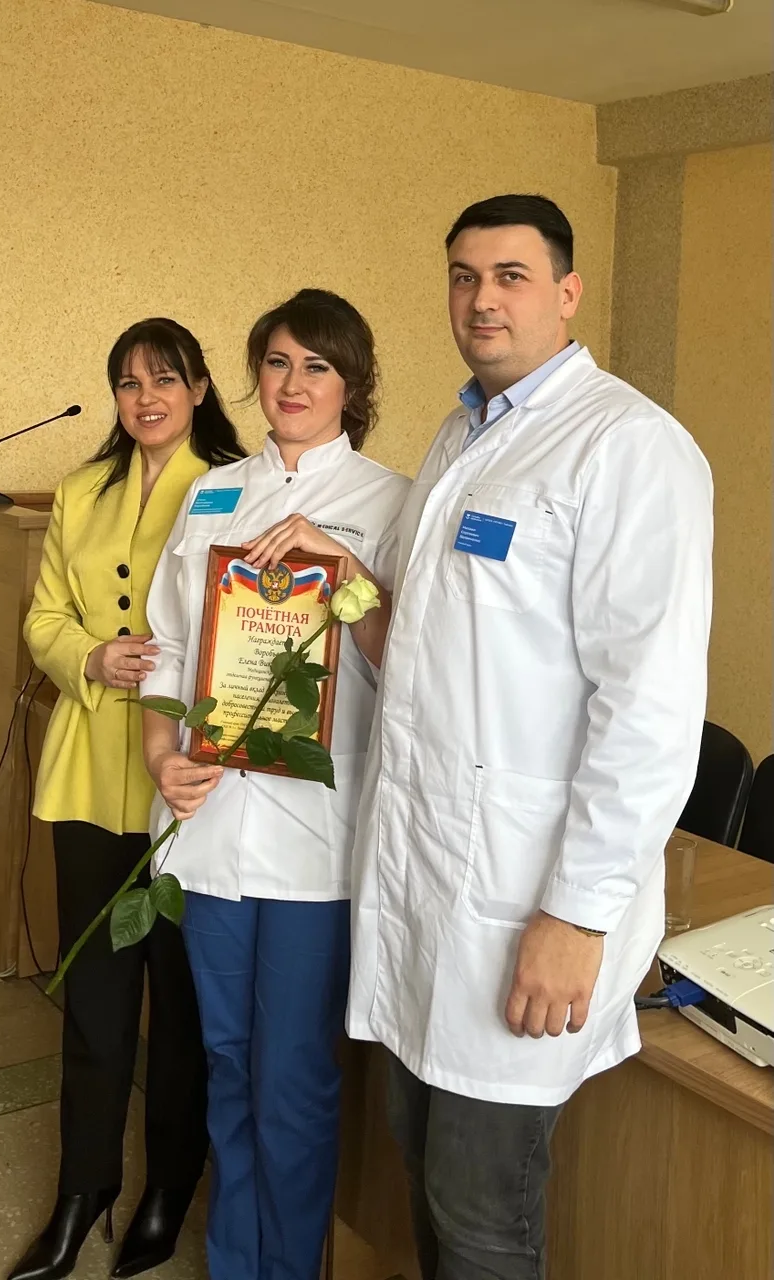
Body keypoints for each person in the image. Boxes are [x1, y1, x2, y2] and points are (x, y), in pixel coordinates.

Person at [347, 194, 714, 1280]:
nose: (481, 299)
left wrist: (575, 912)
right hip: (427, 888)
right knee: (423, 1167)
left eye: (510, 275)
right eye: (463, 276)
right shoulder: (459, 434)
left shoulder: (628, 446)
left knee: (481, 1214)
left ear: (566, 292)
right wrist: (343, 589)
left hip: (523, 900)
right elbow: (426, 651)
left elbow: (647, 708)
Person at [140, 288, 411, 1280]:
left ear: (354, 384)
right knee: (225, 1065)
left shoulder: (392, 501)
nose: (294, 384)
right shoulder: (211, 495)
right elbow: (168, 649)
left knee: (291, 1079)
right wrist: (161, 755)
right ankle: (235, 1262)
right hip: (209, 830)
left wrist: (340, 566)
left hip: (315, 845)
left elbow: (409, 664)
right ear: (254, 374)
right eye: (278, 362)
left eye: (318, 366)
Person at [12, 318, 246, 1280]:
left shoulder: (236, 483)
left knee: (182, 1008)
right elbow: (43, 616)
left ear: (198, 388)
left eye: (164, 380)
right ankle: (85, 1190)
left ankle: (168, 1188)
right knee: (97, 1003)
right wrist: (87, 656)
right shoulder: (82, 489)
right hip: (87, 773)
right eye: (128, 383)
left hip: (191, 780)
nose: (146, 399)